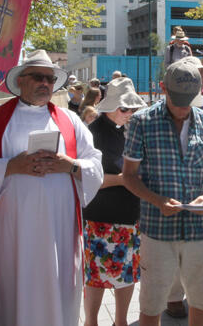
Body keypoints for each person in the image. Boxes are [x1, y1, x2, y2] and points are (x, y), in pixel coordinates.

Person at [0, 49, 104, 326]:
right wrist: (12, 166)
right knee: (18, 290)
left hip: (59, 229)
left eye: (50, 79)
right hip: (14, 231)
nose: (45, 84)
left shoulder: (70, 120)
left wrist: (70, 165)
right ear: (21, 81)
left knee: (58, 291)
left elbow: (95, 165)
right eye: (38, 77)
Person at [122, 59, 203, 326]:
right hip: (157, 232)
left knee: (201, 302)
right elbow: (128, 176)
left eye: (188, 100)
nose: (182, 106)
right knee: (152, 305)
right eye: (177, 99)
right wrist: (157, 201)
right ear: (163, 88)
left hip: (197, 231)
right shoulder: (142, 122)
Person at [82, 78, 146, 326]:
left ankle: (120, 321)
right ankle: (91, 321)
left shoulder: (131, 129)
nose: (129, 113)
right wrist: (123, 180)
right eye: (124, 108)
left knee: (127, 275)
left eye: (133, 108)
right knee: (95, 276)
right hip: (100, 214)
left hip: (130, 214)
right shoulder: (92, 133)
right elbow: (87, 178)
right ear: (109, 106)